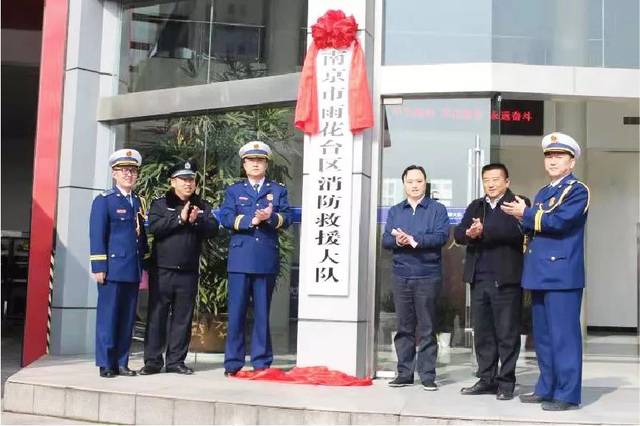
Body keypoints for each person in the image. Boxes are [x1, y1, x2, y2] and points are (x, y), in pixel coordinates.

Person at [501, 132, 589, 411]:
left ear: (571, 162)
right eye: (549, 156)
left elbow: (560, 221)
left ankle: (567, 393)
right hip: (540, 272)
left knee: (564, 337)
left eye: (559, 156)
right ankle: (547, 387)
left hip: (562, 274)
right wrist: (518, 217)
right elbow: (535, 225)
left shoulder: (576, 190)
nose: (552, 161)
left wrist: (525, 213)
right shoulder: (544, 191)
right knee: (544, 337)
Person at [454, 163, 529, 400]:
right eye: (487, 179)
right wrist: (469, 233)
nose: (491, 184)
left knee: (507, 333)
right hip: (479, 279)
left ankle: (506, 382)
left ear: (506, 181)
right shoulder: (477, 206)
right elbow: (457, 233)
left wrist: (483, 231)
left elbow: (516, 231)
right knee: (484, 333)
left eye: (496, 179)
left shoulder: (517, 203)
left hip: (506, 280)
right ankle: (486, 379)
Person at [139, 160, 218, 375]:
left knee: (182, 318)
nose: (188, 184)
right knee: (157, 317)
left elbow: (213, 229)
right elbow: (155, 228)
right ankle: (153, 361)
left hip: (188, 271)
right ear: (173, 182)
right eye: (183, 179)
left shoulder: (201, 205)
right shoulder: (160, 204)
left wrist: (196, 221)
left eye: (191, 179)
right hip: (162, 269)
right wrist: (180, 219)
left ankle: (175, 361)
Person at [219, 141, 291, 376]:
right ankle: (233, 363)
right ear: (244, 164)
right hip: (240, 259)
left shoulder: (277, 190)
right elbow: (227, 218)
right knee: (237, 312)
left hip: (265, 258)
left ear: (266, 164)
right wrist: (252, 220)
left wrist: (270, 218)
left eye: (260, 160)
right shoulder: (234, 191)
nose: (256, 164)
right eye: (251, 160)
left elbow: (287, 218)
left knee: (262, 313)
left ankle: (261, 362)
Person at [382, 165, 450, 391]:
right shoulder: (395, 210)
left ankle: (428, 374)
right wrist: (398, 241)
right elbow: (386, 240)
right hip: (401, 275)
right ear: (404, 184)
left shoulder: (437, 209)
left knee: (428, 327)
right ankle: (404, 373)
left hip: (427, 274)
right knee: (404, 326)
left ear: (425, 183)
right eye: (410, 181)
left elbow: (441, 237)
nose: (414, 185)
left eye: (419, 181)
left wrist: (414, 239)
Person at [89, 148, 149, 378]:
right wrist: (99, 267)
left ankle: (122, 362)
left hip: (133, 269)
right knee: (108, 317)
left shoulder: (138, 202)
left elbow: (141, 236)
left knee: (126, 319)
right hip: (112, 269)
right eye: (123, 170)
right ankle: (105, 363)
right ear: (114, 174)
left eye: (132, 171)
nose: (128, 175)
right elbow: (97, 235)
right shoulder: (104, 201)